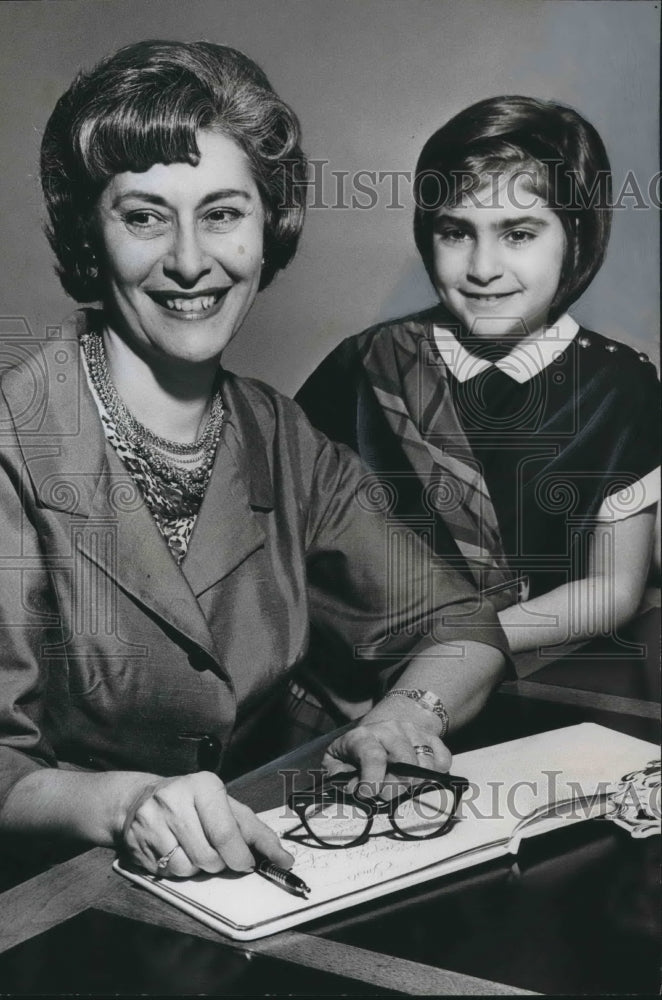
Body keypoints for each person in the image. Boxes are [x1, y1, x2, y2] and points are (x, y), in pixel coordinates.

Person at [0, 42, 508, 881]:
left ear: (268, 224)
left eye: (224, 213)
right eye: (144, 215)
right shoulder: (19, 439)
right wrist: (124, 803)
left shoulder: (281, 433)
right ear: (90, 229)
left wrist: (403, 716)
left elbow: (459, 624)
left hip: (254, 889)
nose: (192, 261)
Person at [297, 95, 660, 685]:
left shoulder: (620, 386)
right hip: (360, 682)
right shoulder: (366, 366)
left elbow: (612, 590)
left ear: (576, 235)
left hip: (539, 680)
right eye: (456, 232)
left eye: (518, 234)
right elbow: (292, 551)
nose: (483, 266)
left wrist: (456, 649)